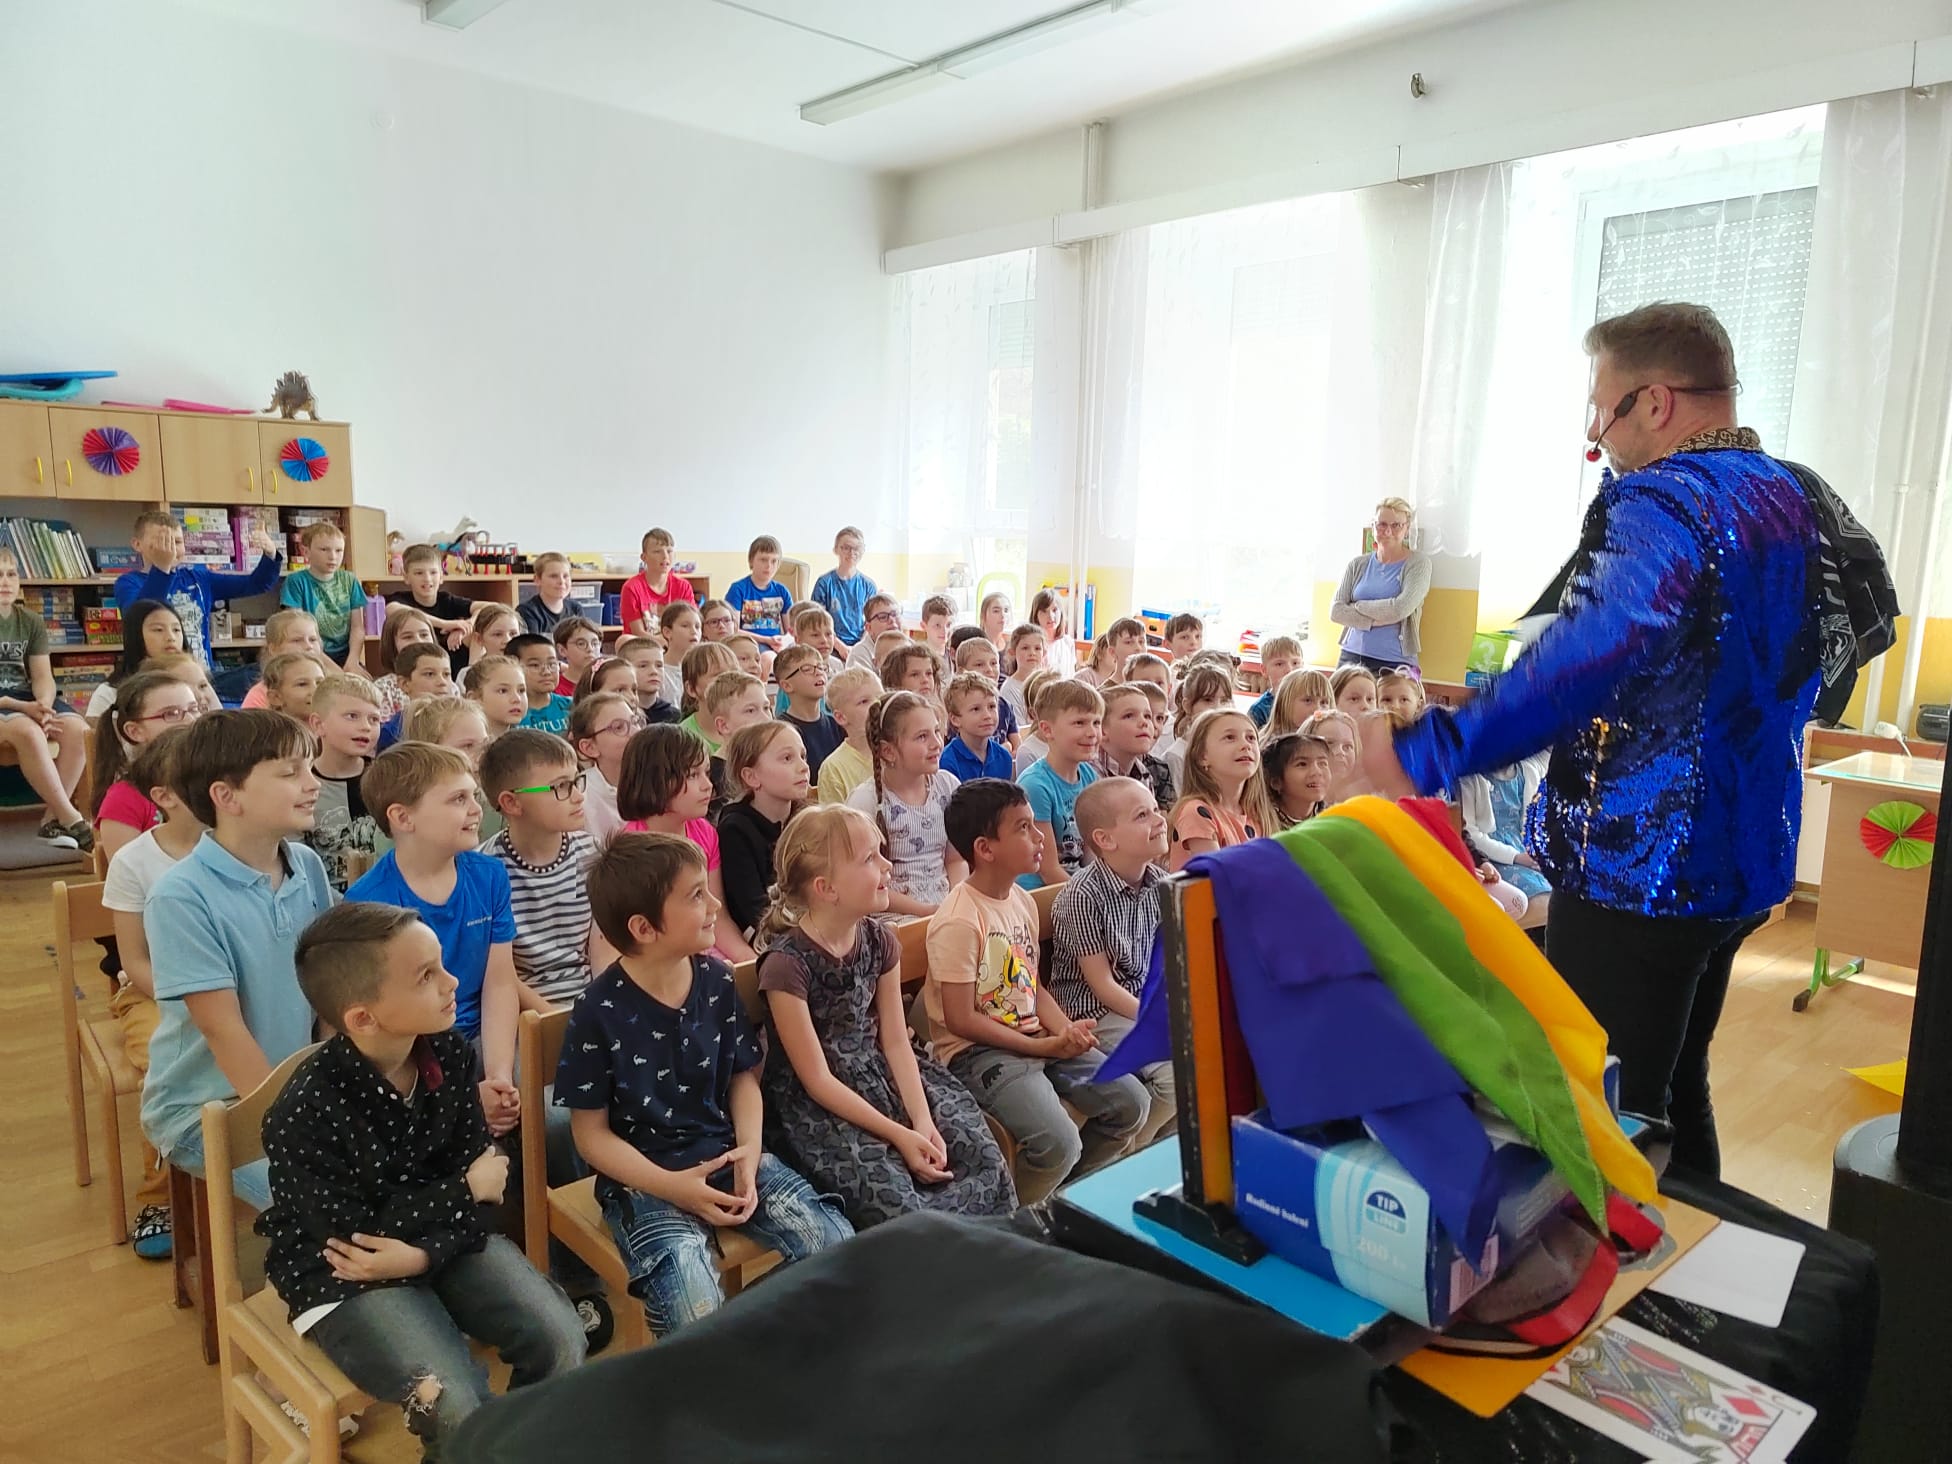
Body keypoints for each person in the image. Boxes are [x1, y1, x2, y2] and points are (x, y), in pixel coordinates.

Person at [1364, 301, 1822, 1178]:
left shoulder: (1660, 498)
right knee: (1676, 1085)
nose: (1595, 436)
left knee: (1605, 1101)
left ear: (1655, 402)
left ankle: (1624, 1260)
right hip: (1748, 847)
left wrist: (1426, 751)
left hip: (1641, 862)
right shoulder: (1789, 493)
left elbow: (1585, 657)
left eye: (1600, 409)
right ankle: (1695, 1253)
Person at [256, 903, 585, 1457]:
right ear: (364, 1018)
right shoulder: (302, 1112)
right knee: (450, 1399)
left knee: (560, 1338)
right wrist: (462, 1190)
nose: (453, 982)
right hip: (344, 1275)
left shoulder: (450, 1054)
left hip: (434, 1242)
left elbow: (488, 1192)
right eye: (426, 976)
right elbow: (355, 1239)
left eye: (441, 965)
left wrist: (422, 1254)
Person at [558, 832, 853, 1339]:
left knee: (837, 1245)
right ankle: (717, 1353)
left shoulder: (716, 980)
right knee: (693, 1306)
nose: (715, 904)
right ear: (644, 928)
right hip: (645, 1184)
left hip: (729, 1155)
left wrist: (750, 1152)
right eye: (696, 895)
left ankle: (736, 1343)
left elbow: (743, 1080)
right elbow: (591, 1137)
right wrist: (673, 1186)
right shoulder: (596, 1011)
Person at [756, 804, 1015, 1228]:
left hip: (889, 1074)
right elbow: (816, 1079)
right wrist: (900, 1134)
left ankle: (993, 1261)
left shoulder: (879, 940)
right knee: (902, 1208)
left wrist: (922, 1120)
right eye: (870, 859)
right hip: (826, 1105)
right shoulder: (787, 966)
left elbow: (895, 1041)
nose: (887, 865)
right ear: (826, 888)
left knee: (983, 1158)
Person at [138, 710, 335, 1208]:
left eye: (309, 767)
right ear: (227, 797)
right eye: (290, 772)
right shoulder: (181, 896)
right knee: (326, 1202)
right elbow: (222, 1029)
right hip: (208, 1108)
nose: (312, 783)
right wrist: (301, 1126)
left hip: (299, 1086)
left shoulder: (305, 864)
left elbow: (329, 989)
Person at [924, 779, 1145, 1206]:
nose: (1040, 837)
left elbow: (1032, 985)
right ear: (985, 849)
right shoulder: (959, 920)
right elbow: (960, 1019)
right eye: (1023, 828)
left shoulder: (1021, 900)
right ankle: (1018, 1219)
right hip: (980, 1054)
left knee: (1130, 1102)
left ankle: (1071, 1200)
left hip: (1036, 1038)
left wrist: (1065, 1032)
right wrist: (1042, 1046)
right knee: (1059, 1142)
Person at [348, 743, 521, 1142]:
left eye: (474, 795)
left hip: (487, 1035)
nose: (477, 808)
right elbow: (390, 1020)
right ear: (402, 817)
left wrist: (498, 1075)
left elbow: (499, 983)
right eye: (458, 799)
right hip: (414, 1049)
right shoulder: (369, 902)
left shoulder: (490, 875)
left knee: (543, 1113)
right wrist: (467, 1095)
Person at [101, 727, 201, 1259]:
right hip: (153, 993)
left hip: (230, 987)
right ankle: (160, 1197)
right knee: (165, 1066)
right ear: (164, 797)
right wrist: (192, 999)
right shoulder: (134, 861)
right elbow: (135, 961)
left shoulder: (240, 846)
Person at [1050, 776, 1176, 1142]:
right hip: (1094, 1012)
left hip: (1137, 1001)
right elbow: (1102, 986)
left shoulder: (1161, 882)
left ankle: (1156, 1150)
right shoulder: (1082, 895)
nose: (1159, 820)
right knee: (1177, 1073)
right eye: (1142, 815)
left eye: (1155, 810)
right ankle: (1130, 1154)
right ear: (1105, 839)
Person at [480, 730, 612, 1010]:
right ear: (511, 803)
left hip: (593, 1001)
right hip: (522, 1010)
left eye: (576, 781)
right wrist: (551, 1019)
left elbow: (604, 950)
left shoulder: (592, 851)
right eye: (561, 787)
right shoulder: (484, 870)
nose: (578, 796)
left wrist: (601, 1009)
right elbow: (499, 974)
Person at [617, 724, 755, 962]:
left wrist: (751, 962)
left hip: (706, 945)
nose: (708, 785)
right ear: (655, 780)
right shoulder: (631, 848)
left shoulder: (705, 832)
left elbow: (718, 917)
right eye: (692, 775)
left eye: (706, 773)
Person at [0, 546, 94, 848]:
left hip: (25, 697)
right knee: (28, 732)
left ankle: (51, 821)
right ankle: (72, 819)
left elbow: (42, 676)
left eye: (10, 574)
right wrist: (24, 709)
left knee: (78, 730)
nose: (5, 582)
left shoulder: (30, 620)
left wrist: (43, 705)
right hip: (8, 704)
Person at [113, 508, 283, 671]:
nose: (171, 549)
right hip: (157, 678)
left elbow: (256, 584)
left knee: (263, 671)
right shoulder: (128, 582)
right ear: (137, 544)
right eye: (162, 542)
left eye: (177, 542)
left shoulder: (198, 578)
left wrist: (270, 553)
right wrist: (162, 569)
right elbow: (140, 618)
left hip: (202, 676)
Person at [846, 690, 962, 917]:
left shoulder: (947, 786)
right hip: (893, 913)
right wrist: (927, 911)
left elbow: (956, 859)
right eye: (922, 737)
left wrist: (957, 900)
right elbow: (863, 880)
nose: (936, 743)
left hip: (946, 905)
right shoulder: (866, 801)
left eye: (936, 731)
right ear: (888, 751)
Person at [91, 670, 203, 863]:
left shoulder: (215, 778)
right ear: (135, 731)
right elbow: (129, 873)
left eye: (194, 709)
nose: (191, 720)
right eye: (171, 714)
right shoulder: (123, 799)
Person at [717, 721, 810, 940]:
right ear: (751, 777)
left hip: (812, 926)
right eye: (787, 758)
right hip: (769, 936)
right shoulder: (735, 830)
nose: (804, 767)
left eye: (803, 756)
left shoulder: (808, 818)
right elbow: (755, 911)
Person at [1017, 680, 1103, 889]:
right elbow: (1048, 870)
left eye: (1096, 722)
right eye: (1079, 723)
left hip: (1076, 884)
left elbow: (1091, 852)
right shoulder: (1036, 786)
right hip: (1041, 891)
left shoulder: (1089, 775)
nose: (1092, 732)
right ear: (1047, 729)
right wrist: (1091, 896)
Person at [1331, 497, 1431, 675]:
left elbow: (1400, 609)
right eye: (1382, 524)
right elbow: (1336, 611)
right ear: (1373, 526)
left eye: (1396, 525)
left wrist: (1358, 606)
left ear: (1406, 528)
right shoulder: (1357, 564)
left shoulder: (1418, 563)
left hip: (1395, 661)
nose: (1388, 531)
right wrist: (1375, 621)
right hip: (1351, 655)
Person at [305, 674, 384, 892]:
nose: (365, 726)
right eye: (352, 716)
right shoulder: (303, 786)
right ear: (318, 724)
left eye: (374, 719)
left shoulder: (388, 779)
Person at [1167, 708, 1272, 872]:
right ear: (1202, 756)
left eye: (1251, 738)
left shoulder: (1256, 813)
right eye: (1230, 738)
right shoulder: (1196, 812)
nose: (1246, 745)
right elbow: (1219, 878)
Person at [279, 521, 367, 671]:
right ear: (306, 551)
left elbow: (357, 627)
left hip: (346, 657)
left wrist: (353, 661)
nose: (332, 556)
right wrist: (336, 672)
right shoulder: (296, 581)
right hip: (309, 654)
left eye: (339, 550)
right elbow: (298, 632)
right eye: (324, 549)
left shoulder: (350, 580)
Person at [84, 598, 186, 722]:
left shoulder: (194, 682)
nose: (171, 637)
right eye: (158, 630)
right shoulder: (110, 693)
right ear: (135, 635)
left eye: (176, 630)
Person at [388, 543, 476, 675]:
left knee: (476, 634)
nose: (427, 579)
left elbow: (490, 608)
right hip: (414, 671)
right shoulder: (400, 599)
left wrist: (466, 626)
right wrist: (446, 624)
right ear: (406, 577)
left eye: (433, 572)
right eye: (419, 573)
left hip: (452, 673)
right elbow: (394, 610)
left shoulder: (447, 600)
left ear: (441, 577)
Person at [569, 692, 642, 847]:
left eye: (635, 722)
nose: (636, 732)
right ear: (589, 747)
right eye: (619, 727)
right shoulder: (580, 795)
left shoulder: (659, 779)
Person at [1097, 682, 1174, 813]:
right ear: (1102, 731)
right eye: (1129, 716)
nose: (1144, 722)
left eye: (1147, 716)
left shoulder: (1143, 773)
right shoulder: (1090, 774)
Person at [774, 645, 844, 781]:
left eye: (821, 667)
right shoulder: (782, 731)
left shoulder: (836, 724)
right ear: (787, 685)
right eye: (807, 669)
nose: (818, 673)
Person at [1161, 664, 1232, 793]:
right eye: (1208, 700)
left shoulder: (1231, 749)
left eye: (1224, 700)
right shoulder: (1177, 756)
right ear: (1187, 706)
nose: (1218, 708)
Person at [816, 667, 880, 807]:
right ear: (841, 717)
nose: (877, 705)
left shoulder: (898, 749)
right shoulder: (834, 768)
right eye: (864, 701)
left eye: (880, 697)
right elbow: (835, 818)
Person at [618, 528, 697, 636]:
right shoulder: (631, 588)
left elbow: (692, 622)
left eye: (669, 551)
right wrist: (663, 642)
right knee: (623, 640)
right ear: (644, 557)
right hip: (643, 643)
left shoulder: (683, 586)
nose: (665, 556)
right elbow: (638, 632)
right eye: (657, 552)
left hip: (675, 641)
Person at [811, 528, 878, 648]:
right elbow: (817, 620)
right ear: (836, 549)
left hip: (861, 644)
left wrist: (859, 648)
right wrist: (839, 646)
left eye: (856, 548)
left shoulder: (868, 586)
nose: (852, 553)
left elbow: (873, 622)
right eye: (846, 548)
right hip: (830, 644)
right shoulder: (824, 583)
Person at [940, 672, 1012, 784]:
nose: (987, 716)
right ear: (955, 719)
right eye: (976, 709)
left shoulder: (1003, 757)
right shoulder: (948, 761)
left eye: (992, 707)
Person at [369, 606, 440, 720]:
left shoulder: (447, 683)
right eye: (408, 637)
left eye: (424, 635)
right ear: (392, 644)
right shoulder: (383, 689)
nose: (418, 641)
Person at [722, 536, 791, 650]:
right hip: (748, 643)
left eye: (774, 561)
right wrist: (766, 640)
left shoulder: (782, 591)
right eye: (763, 560)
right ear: (751, 561)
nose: (769, 566)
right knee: (768, 657)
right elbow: (733, 630)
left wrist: (783, 642)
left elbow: (791, 631)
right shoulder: (738, 589)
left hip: (776, 644)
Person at [952, 636, 1020, 748]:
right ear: (962, 671)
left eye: (993, 663)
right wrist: (1004, 748)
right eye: (979, 664)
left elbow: (1017, 746)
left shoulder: (1005, 705)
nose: (989, 669)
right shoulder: (958, 706)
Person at [1263, 732, 1334, 827]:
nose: (1317, 772)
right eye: (1302, 764)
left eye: (1322, 763)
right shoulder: (1263, 823)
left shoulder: (1333, 819)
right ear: (1276, 782)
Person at [508, 634, 572, 737]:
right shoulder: (507, 713)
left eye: (552, 664)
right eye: (535, 665)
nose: (546, 672)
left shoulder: (572, 706)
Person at [518, 552, 590, 636]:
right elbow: (532, 644)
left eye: (565, 576)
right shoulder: (527, 611)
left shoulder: (576, 609)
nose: (561, 581)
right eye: (554, 576)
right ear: (537, 580)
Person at [613, 635, 681, 724]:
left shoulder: (674, 716)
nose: (654, 671)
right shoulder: (616, 714)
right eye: (643, 666)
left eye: (659, 665)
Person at [463, 655, 528, 742]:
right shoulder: (462, 745)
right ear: (474, 699)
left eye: (521, 690)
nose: (517, 699)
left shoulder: (526, 742)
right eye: (503, 691)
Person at [675, 642, 737, 732]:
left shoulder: (749, 725)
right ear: (691, 689)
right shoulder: (683, 735)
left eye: (735, 672)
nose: (730, 679)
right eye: (718, 675)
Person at [1246, 636, 1303, 729]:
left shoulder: (1311, 701)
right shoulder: (1259, 710)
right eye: (1279, 664)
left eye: (1295, 663)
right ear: (1264, 670)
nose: (1289, 670)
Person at [1264, 668, 1333, 740]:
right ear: (1284, 704)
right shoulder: (1274, 744)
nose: (1318, 709)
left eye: (1323, 702)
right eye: (1308, 700)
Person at [998, 624, 1046, 727]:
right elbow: (1018, 729)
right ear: (1012, 652)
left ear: (1044, 653)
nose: (1032, 653)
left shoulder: (1049, 684)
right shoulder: (1009, 689)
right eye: (1025, 648)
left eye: (1037, 648)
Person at [1077, 618, 1146, 689]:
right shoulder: (1105, 692)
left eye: (1141, 641)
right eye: (1128, 642)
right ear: (1112, 652)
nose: (1138, 648)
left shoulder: (1148, 684)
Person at [551, 616, 604, 698]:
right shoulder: (555, 688)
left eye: (595, 643)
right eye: (581, 644)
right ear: (562, 650)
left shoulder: (607, 683)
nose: (590, 649)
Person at [846, 595, 903, 670]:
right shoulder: (859, 654)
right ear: (869, 627)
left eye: (895, 614)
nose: (892, 620)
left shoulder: (909, 646)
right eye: (883, 617)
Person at [1028, 589, 1074, 678]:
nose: (1051, 616)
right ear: (1036, 616)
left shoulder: (1068, 642)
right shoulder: (1031, 644)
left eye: (1055, 610)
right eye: (1044, 611)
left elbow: (1071, 675)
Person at [466, 601, 521, 666]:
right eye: (498, 634)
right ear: (479, 639)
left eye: (513, 634)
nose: (507, 640)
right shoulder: (470, 671)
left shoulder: (528, 670)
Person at [979, 591, 1012, 666]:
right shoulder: (975, 646)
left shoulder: (1013, 644)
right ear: (983, 615)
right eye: (996, 611)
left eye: (1006, 610)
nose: (1003, 615)